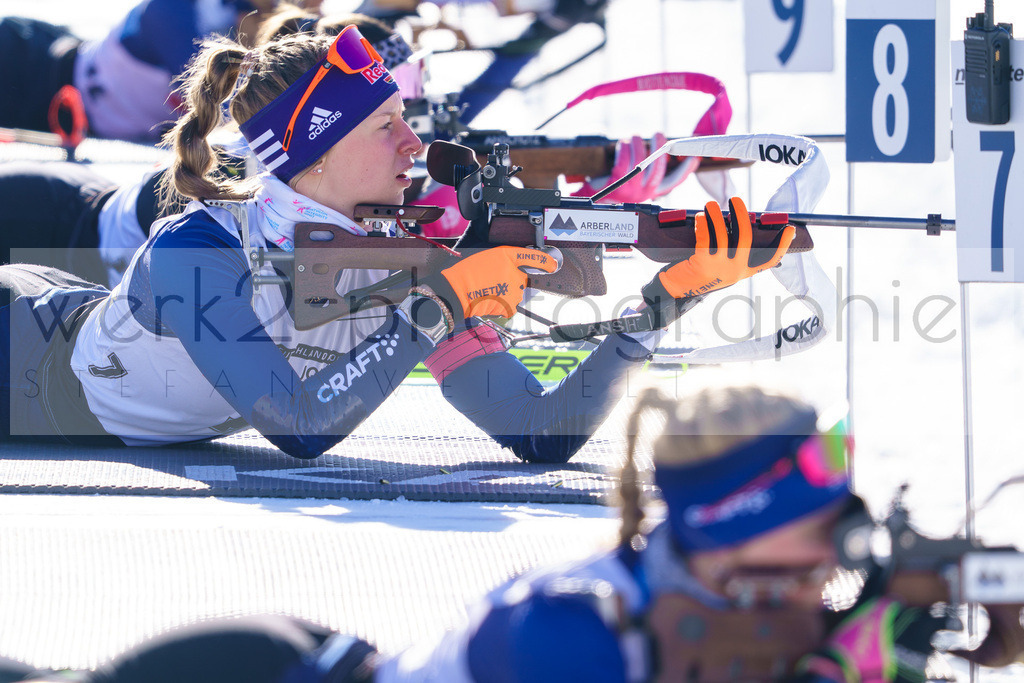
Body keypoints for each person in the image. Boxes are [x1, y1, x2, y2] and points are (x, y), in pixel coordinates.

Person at [0, 25, 791, 459]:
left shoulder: (399, 257)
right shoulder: (196, 250)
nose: (415, 145)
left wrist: (666, 300)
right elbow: (298, 425)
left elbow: (539, 430)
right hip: (22, 358)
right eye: (386, 126)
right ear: (314, 151)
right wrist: (435, 305)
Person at [0, 385, 955, 682]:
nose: (839, 557)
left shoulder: (718, 604)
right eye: (822, 531)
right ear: (738, 531)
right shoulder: (572, 632)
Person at [0, 0, 321, 143]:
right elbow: (233, 115)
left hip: (68, 66)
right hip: (34, 75)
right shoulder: (171, 10)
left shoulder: (254, 18)